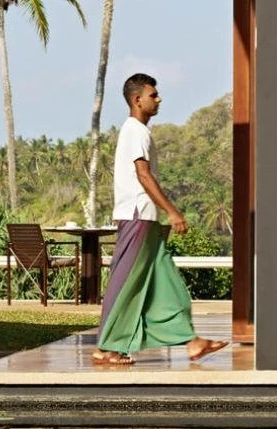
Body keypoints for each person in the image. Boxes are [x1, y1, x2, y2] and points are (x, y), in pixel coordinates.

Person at [92, 73, 230, 365]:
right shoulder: (135, 131)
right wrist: (172, 211)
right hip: (137, 216)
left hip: (146, 219)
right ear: (136, 99)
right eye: (153, 95)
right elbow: (143, 175)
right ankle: (109, 347)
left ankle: (191, 342)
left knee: (165, 283)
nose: (159, 99)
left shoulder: (138, 131)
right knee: (127, 283)